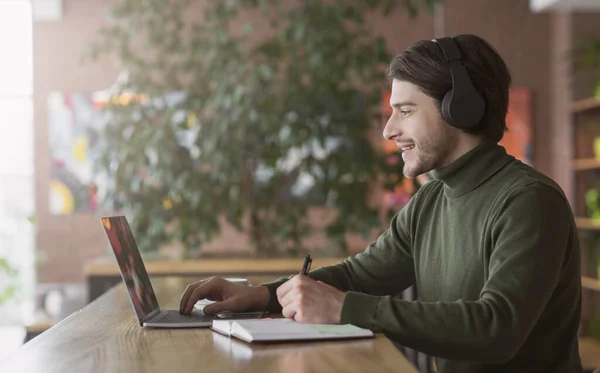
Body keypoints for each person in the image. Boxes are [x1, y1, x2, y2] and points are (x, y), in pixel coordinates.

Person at [179, 34, 582, 373]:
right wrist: (262, 296)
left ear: (461, 110)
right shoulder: (431, 199)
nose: (390, 130)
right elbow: (359, 276)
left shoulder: (528, 200)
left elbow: (498, 330)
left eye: (405, 111)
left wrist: (343, 308)